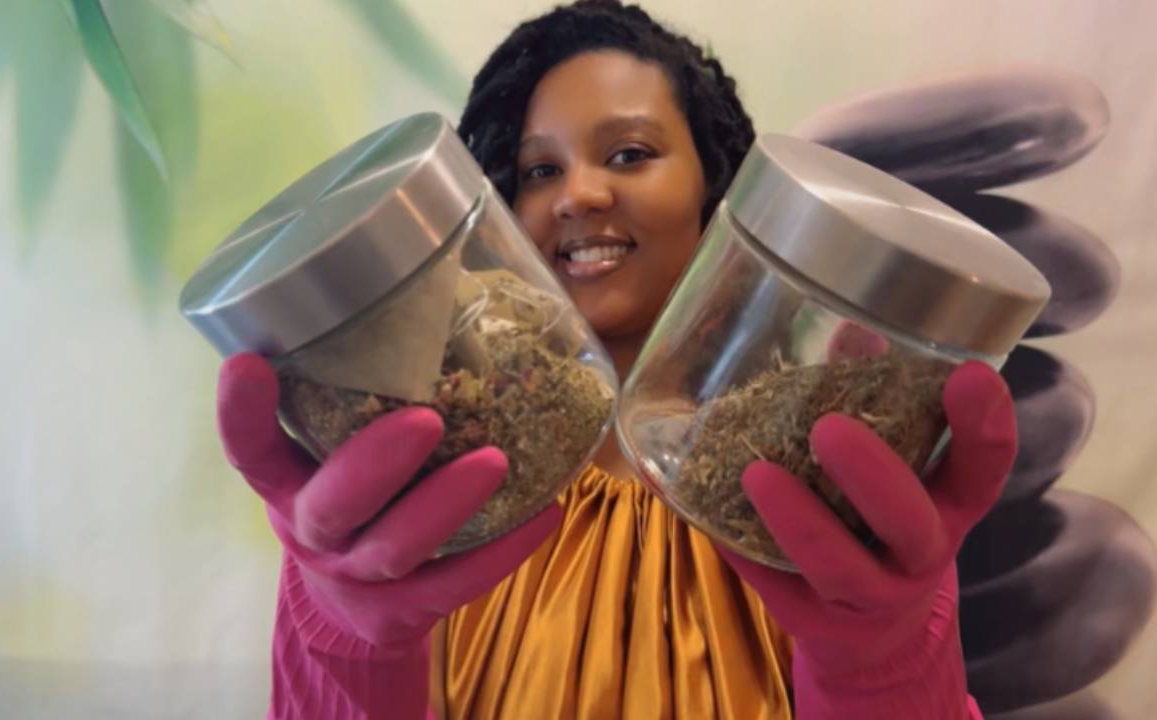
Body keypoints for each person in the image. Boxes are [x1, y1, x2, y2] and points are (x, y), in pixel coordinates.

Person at [215, 1, 1016, 717]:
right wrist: (345, 645)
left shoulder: (816, 485)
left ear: (716, 193)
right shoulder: (414, 497)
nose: (580, 195)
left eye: (630, 154)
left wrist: (884, 668)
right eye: (539, 171)